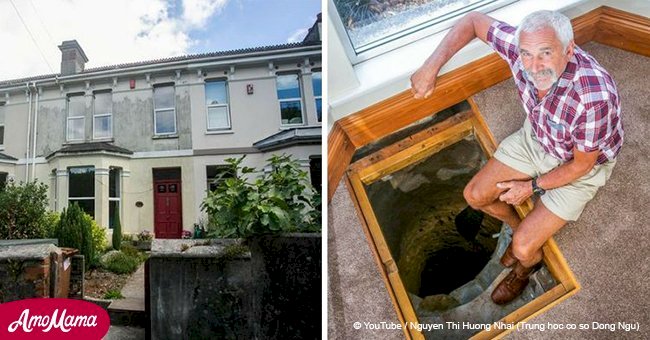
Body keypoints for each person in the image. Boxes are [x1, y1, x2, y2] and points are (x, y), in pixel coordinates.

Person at [410, 10, 623, 305]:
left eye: (545, 54)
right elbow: (472, 22)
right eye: (526, 54)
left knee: (525, 248)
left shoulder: (594, 97)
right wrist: (429, 67)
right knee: (474, 195)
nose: (534, 67)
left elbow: (581, 164)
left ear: (569, 50)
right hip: (537, 138)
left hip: (580, 167)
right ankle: (515, 228)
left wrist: (531, 187)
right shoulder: (517, 48)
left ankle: (525, 268)